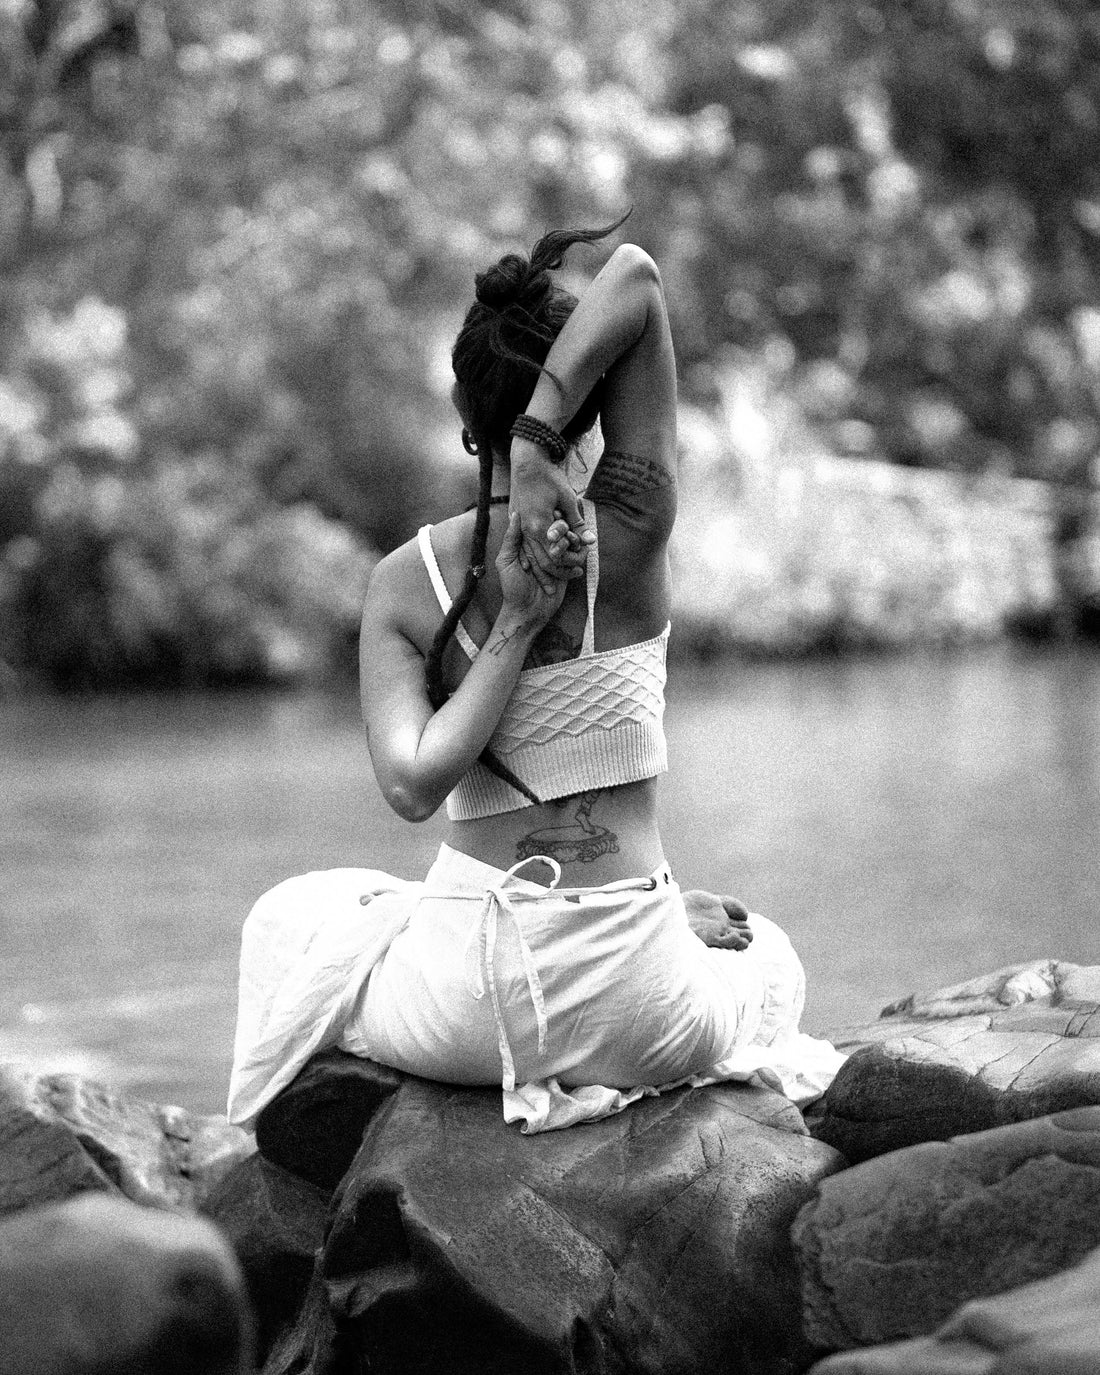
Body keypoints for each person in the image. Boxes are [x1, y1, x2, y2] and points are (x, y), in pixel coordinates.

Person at [227, 219, 844, 1134]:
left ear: (464, 418)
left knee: (296, 916)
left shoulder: (405, 581)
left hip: (471, 1003)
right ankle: (663, 924)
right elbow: (634, 276)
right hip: (642, 995)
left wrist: (509, 619)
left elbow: (410, 784)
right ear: (588, 408)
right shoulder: (630, 527)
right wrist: (540, 441)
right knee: (771, 959)